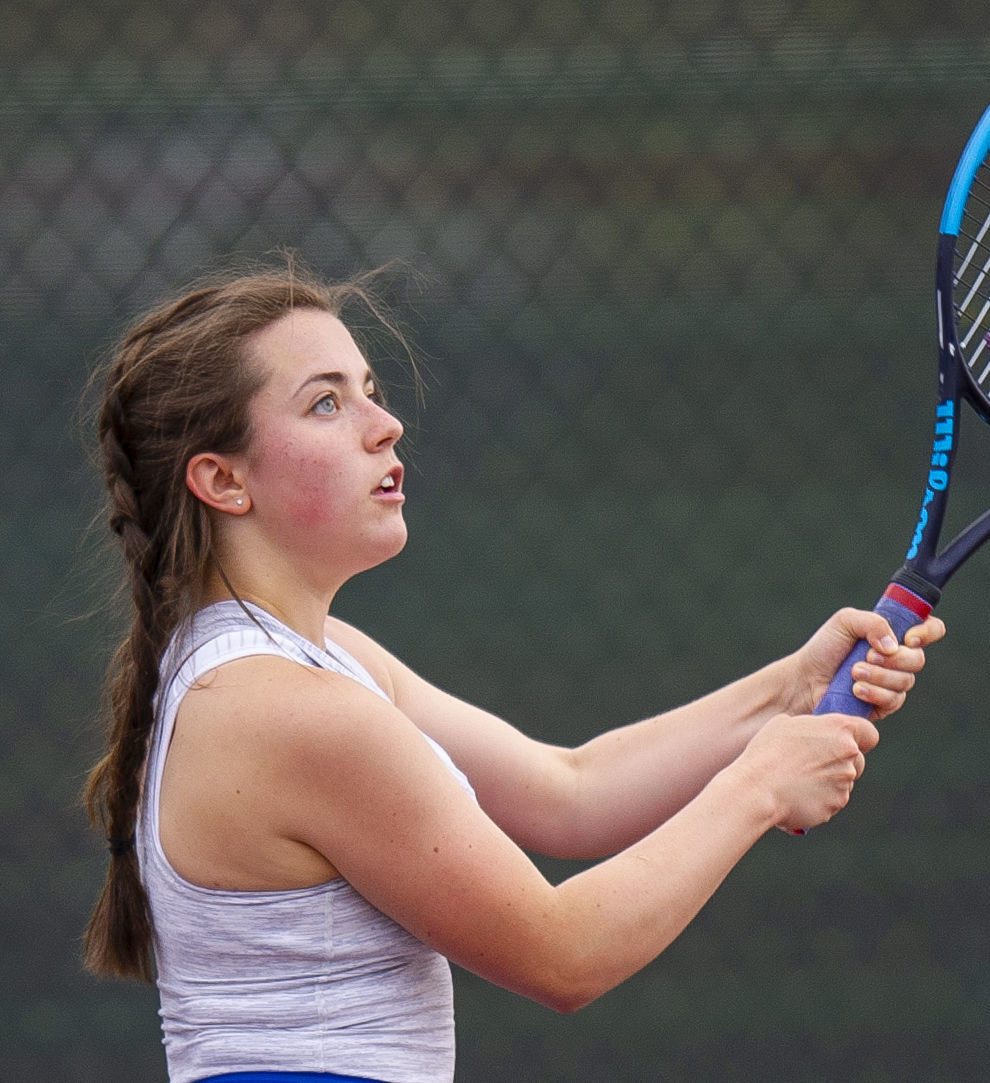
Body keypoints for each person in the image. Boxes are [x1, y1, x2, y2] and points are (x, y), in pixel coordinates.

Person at [82, 258, 946, 1083]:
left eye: (371, 393)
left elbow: (569, 789)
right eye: (324, 403)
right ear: (223, 480)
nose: (384, 425)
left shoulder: (319, 663)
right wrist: (757, 786)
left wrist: (786, 692)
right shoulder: (286, 709)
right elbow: (564, 952)